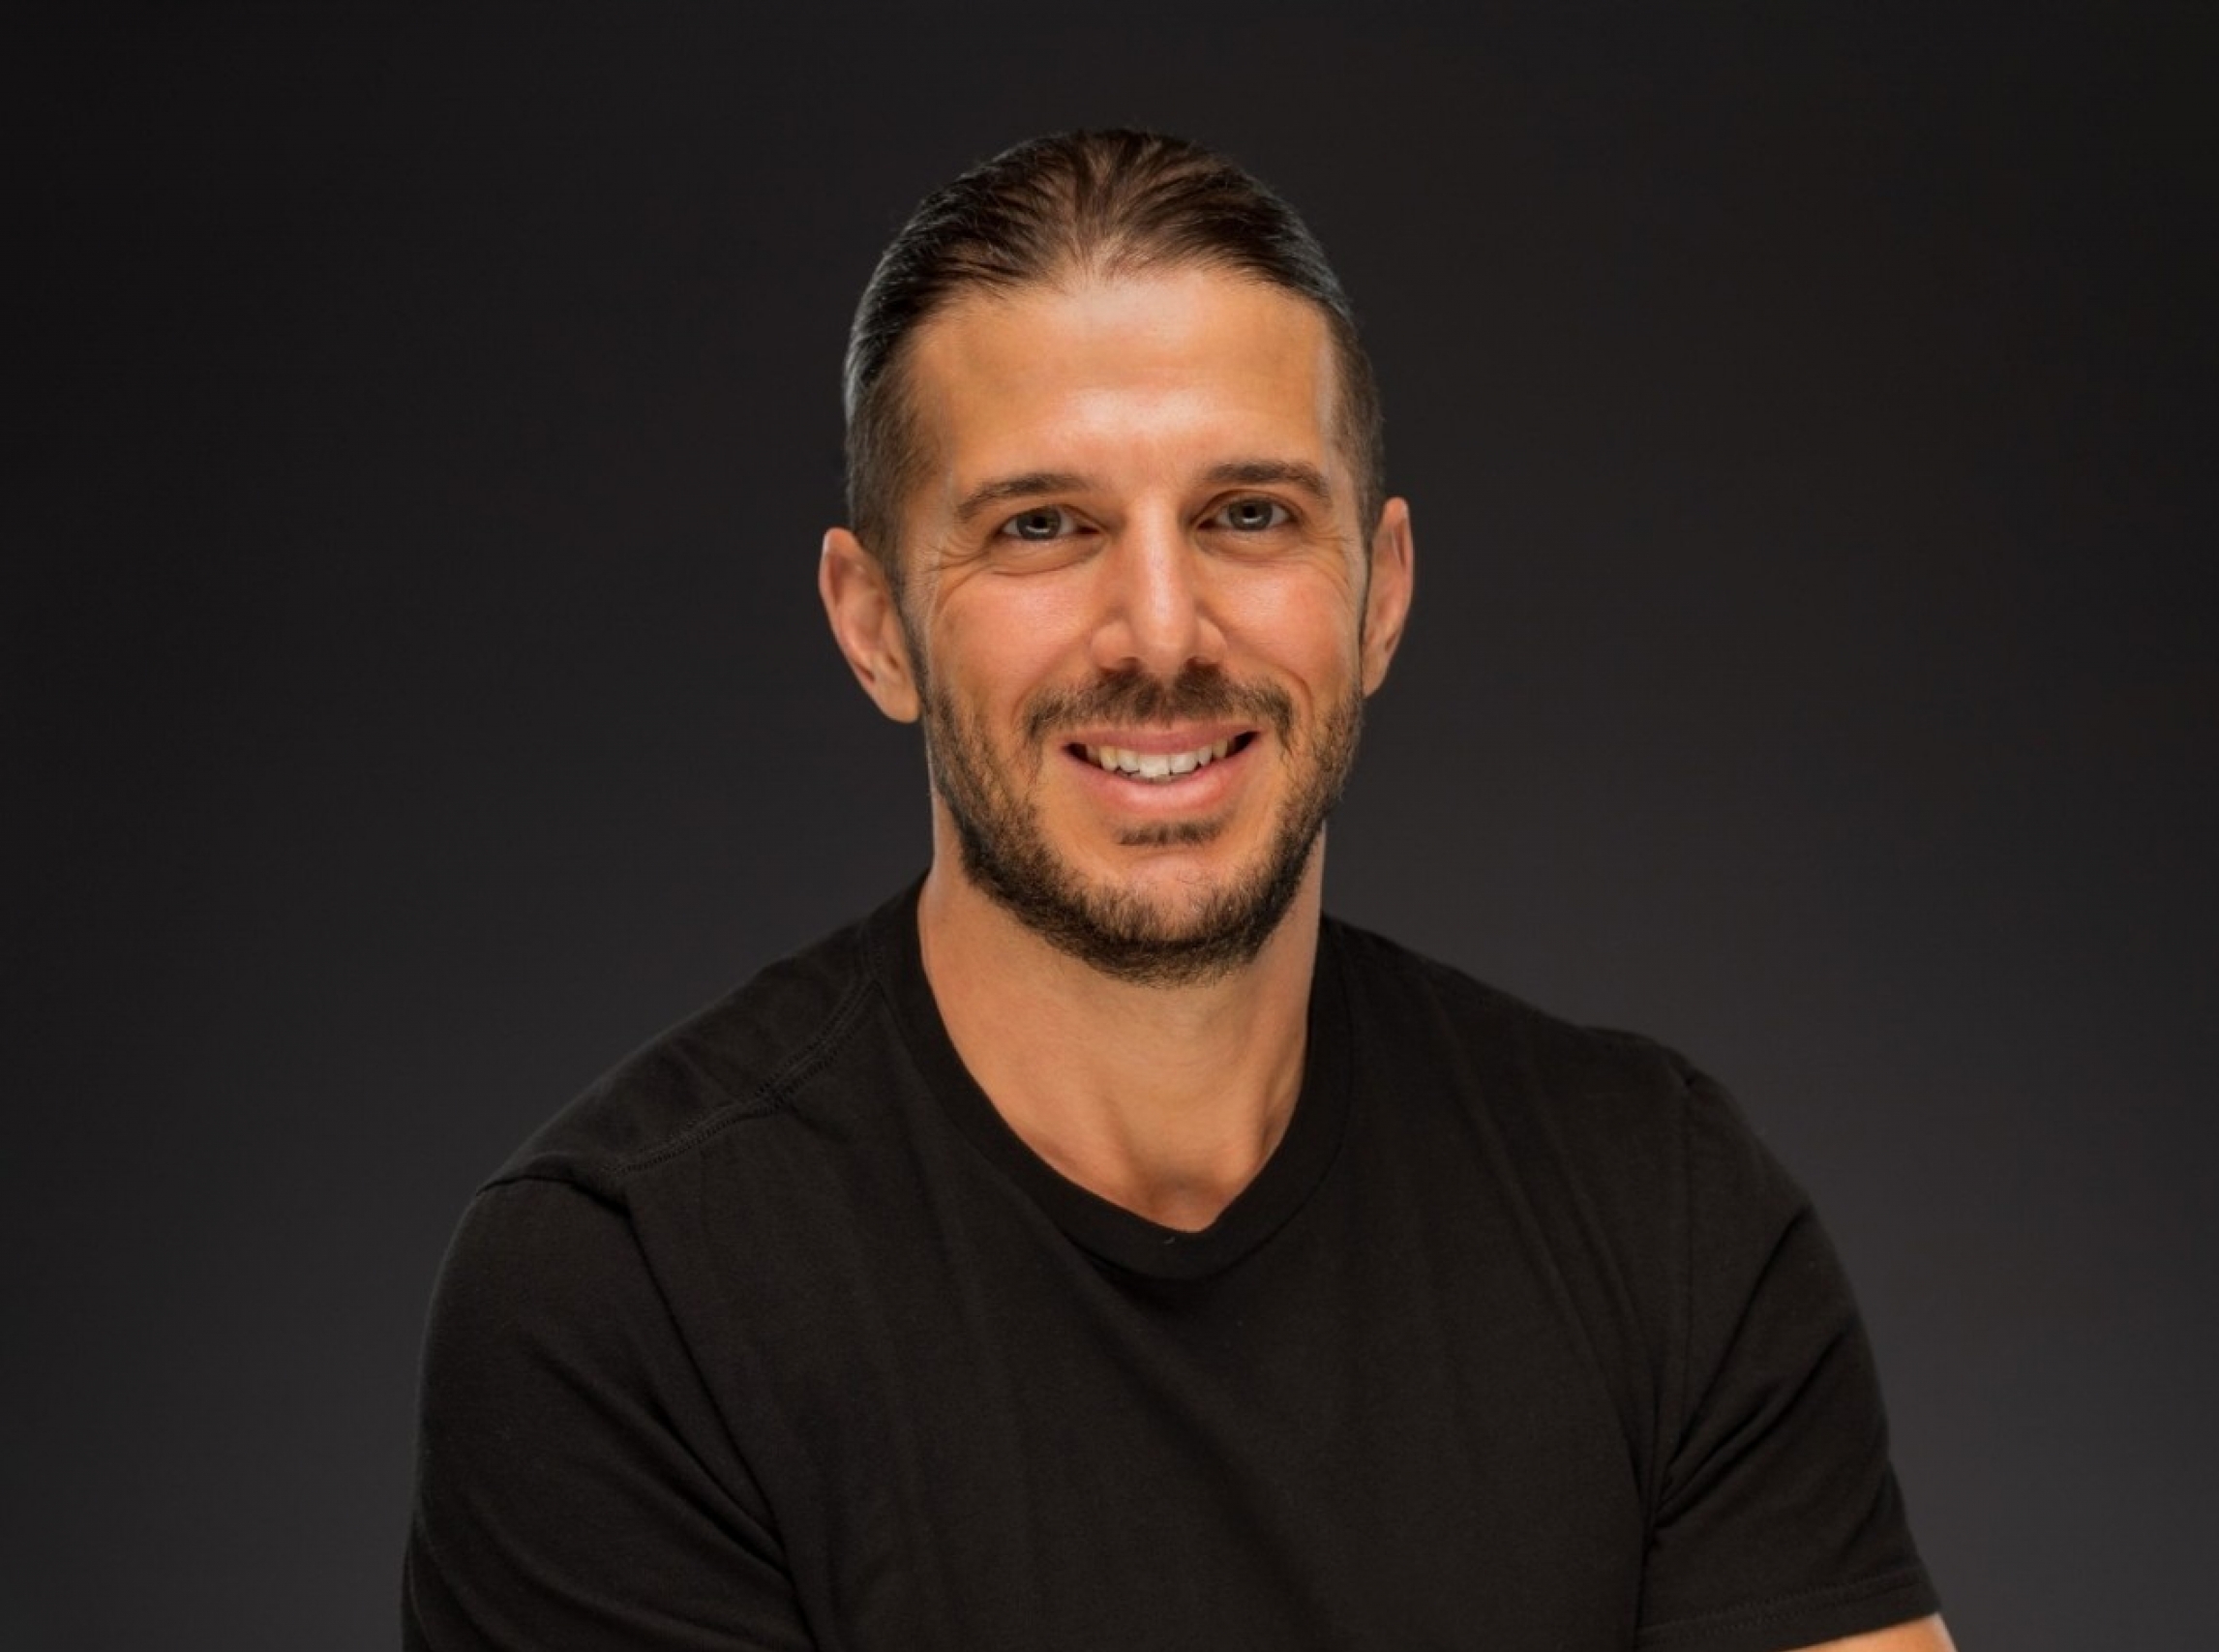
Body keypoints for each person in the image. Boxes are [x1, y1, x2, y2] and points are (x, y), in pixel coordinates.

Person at [404, 129, 1954, 1652]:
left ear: (1381, 597)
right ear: (875, 625)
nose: (1159, 630)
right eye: (1044, 527)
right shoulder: (630, 1293)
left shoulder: (1660, 1213)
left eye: (1250, 516)